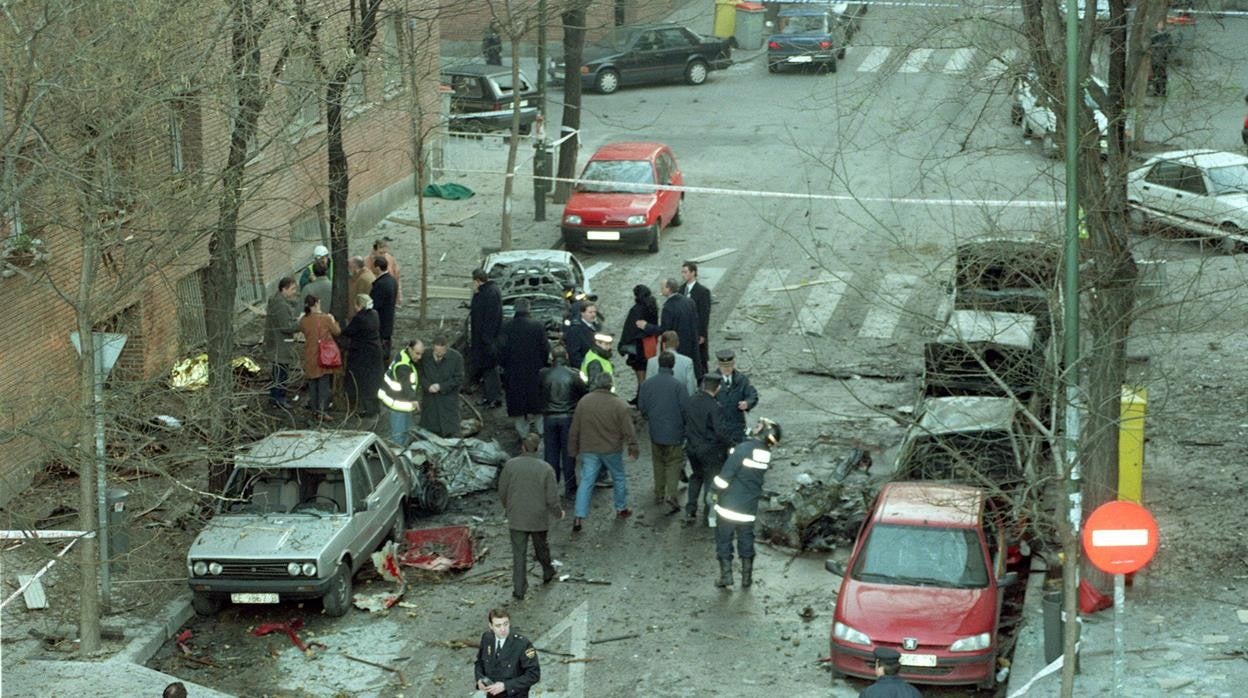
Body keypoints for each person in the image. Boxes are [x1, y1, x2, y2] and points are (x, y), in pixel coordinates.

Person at [712, 418, 782, 589]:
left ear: (764, 433)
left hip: (729, 505)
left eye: (759, 426)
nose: (755, 427)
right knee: (746, 539)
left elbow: (726, 475)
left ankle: (726, 577)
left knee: (724, 540)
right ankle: (746, 579)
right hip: (749, 507)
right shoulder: (765, 453)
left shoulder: (743, 449)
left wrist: (714, 490)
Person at [568, 373, 639, 531]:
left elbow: (575, 428)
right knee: (618, 477)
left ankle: (578, 517)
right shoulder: (619, 404)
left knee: (586, 481)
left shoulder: (584, 402)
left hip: (589, 448)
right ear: (610, 385)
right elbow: (628, 430)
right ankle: (621, 509)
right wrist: (633, 447)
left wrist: (573, 449)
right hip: (611, 449)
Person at [498, 433, 563, 600]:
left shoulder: (510, 465)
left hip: (517, 517)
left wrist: (508, 507)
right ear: (538, 447)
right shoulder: (546, 468)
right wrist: (558, 513)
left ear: (522, 447)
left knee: (519, 554)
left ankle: (519, 589)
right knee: (541, 547)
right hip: (538, 517)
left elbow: (502, 491)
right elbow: (552, 498)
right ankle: (548, 571)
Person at [638, 351, 689, 514]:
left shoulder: (647, 384)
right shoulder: (678, 386)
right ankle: (671, 494)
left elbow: (642, 407)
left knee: (658, 461)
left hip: (656, 430)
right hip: (675, 432)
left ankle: (659, 492)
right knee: (673, 462)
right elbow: (685, 409)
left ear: (659, 364)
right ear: (673, 365)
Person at [684, 373, 736, 523]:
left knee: (696, 476)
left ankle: (690, 510)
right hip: (710, 450)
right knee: (710, 481)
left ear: (703, 385)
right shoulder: (714, 406)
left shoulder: (691, 400)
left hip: (692, 447)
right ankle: (709, 515)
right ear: (717, 388)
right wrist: (732, 444)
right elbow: (720, 432)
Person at [539, 346, 586, 499]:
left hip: (549, 417)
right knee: (569, 453)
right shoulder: (574, 375)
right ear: (566, 356)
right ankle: (570, 488)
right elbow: (583, 392)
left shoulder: (543, 374)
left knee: (551, 453)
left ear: (551, 358)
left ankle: (551, 488)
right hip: (568, 417)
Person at [500, 298, 549, 438]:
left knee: (518, 405)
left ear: (515, 309)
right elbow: (545, 349)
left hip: (514, 371)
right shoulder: (537, 325)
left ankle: (523, 434)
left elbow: (500, 350)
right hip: (534, 370)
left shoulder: (506, 326)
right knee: (537, 402)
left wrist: (505, 365)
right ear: (529, 309)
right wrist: (542, 364)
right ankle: (541, 432)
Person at [474, 608, 540, 697]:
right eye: (498, 626)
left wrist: (506, 686)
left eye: (505, 624)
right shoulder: (487, 638)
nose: (503, 629)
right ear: (491, 626)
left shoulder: (522, 644)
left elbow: (533, 674)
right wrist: (480, 680)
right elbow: (480, 662)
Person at [636, 278, 698, 369]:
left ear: (668, 289)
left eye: (662, 287)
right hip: (691, 345)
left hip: (676, 346)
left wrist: (646, 326)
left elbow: (664, 330)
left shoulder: (668, 307)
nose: (660, 289)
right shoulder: (689, 302)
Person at [299, 294, 341, 416]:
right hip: (324, 355)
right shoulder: (326, 319)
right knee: (323, 382)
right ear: (317, 303)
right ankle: (322, 410)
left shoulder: (304, 320)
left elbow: (302, 329)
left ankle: (314, 409)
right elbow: (337, 332)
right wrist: (334, 320)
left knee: (312, 382)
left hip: (309, 353)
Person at [342, 294, 383, 418]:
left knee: (364, 382)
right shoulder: (375, 314)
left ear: (359, 305)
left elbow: (348, 332)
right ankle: (375, 407)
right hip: (375, 351)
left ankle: (367, 409)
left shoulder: (359, 318)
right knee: (373, 381)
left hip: (362, 354)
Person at [263, 277, 301, 408]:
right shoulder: (281, 305)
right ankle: (279, 398)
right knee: (281, 373)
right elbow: (286, 326)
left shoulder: (277, 301)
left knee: (278, 372)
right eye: (292, 289)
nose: (295, 292)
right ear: (284, 289)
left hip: (276, 343)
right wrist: (300, 323)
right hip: (281, 344)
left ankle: (275, 397)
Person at [618, 284, 658, 405]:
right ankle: (641, 397)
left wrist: (622, 344)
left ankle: (642, 399)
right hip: (649, 344)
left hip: (638, 346)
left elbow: (629, 329)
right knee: (644, 372)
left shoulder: (637, 309)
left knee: (640, 375)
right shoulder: (652, 307)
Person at [470, 268, 504, 409]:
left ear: (478, 281)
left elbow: (489, 318)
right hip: (486, 339)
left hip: (486, 340)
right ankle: (488, 396)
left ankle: (494, 397)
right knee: (487, 369)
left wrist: (486, 339)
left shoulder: (488, 294)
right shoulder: (489, 291)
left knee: (490, 369)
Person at [379, 339, 423, 448]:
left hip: (400, 401)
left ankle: (405, 451)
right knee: (398, 437)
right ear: (410, 349)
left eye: (421, 354)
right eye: (417, 353)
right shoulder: (403, 366)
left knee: (407, 431)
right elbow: (406, 385)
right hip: (398, 403)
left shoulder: (404, 355)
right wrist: (413, 399)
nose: (419, 357)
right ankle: (398, 457)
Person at [419, 334, 465, 437]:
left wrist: (441, 386)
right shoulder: (425, 356)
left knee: (449, 429)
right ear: (433, 348)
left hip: (448, 399)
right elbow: (419, 374)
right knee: (429, 428)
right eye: (436, 351)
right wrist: (427, 386)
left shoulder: (456, 358)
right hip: (430, 399)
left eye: (442, 351)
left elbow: (459, 378)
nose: (439, 354)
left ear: (447, 348)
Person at [714, 349, 758, 439]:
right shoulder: (711, 380)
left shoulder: (741, 379)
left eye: (729, 366)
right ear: (719, 365)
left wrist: (747, 403)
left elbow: (752, 394)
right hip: (718, 425)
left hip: (737, 424)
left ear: (733, 364)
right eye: (724, 366)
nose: (727, 369)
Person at [680, 261, 712, 379]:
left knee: (700, 359)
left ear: (693, 273)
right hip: (684, 332)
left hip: (696, 331)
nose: (683, 275)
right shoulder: (681, 290)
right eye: (682, 272)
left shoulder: (702, 292)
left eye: (685, 272)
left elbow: (704, 315)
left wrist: (702, 333)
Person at [644, 331, 697, 396]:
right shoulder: (687, 361)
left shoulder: (651, 362)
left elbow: (647, 386)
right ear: (678, 343)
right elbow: (691, 387)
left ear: (663, 344)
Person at [370, 256, 398, 363]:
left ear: (377, 268)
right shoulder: (392, 281)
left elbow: (375, 305)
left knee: (379, 353)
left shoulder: (381, 284)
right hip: (388, 321)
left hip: (380, 322)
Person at [563, 300, 598, 370]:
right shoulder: (575, 330)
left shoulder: (595, 326)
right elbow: (573, 353)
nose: (593, 315)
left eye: (594, 312)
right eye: (590, 312)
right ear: (582, 313)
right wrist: (585, 367)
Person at [368, 238, 401, 304]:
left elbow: (397, 277)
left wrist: (398, 296)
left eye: (385, 253)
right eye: (381, 253)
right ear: (374, 250)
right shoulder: (367, 262)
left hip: (389, 293)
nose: (383, 255)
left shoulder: (390, 259)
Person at [347, 255, 375, 322]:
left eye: (349, 266)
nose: (348, 269)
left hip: (359, 317)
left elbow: (360, 299)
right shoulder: (363, 276)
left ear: (355, 267)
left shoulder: (363, 279)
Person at [1149, 21, 1172, 97]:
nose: (1160, 25)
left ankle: (1163, 91)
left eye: (1161, 24)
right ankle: (1157, 90)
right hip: (1154, 58)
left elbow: (1170, 46)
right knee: (1155, 74)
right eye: (1159, 24)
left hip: (1163, 58)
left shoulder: (1166, 35)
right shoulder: (1153, 35)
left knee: (1163, 74)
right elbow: (1150, 46)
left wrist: (1165, 52)